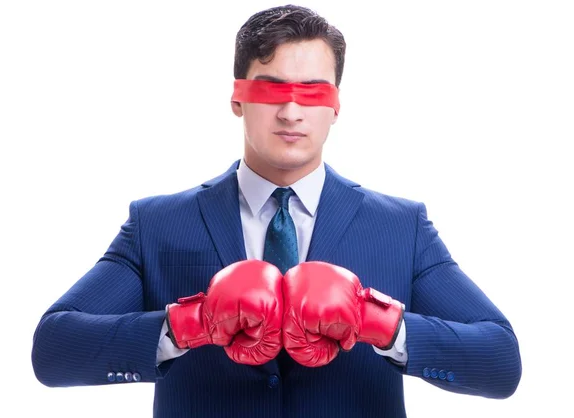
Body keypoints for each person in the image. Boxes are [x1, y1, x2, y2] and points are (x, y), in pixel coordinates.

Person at [31, 4, 522, 417]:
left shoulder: (400, 226)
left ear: (337, 105)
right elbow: (53, 349)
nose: (291, 111)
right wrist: (190, 322)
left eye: (312, 90)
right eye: (270, 89)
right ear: (236, 98)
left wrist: (379, 323)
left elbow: (500, 361)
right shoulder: (158, 223)